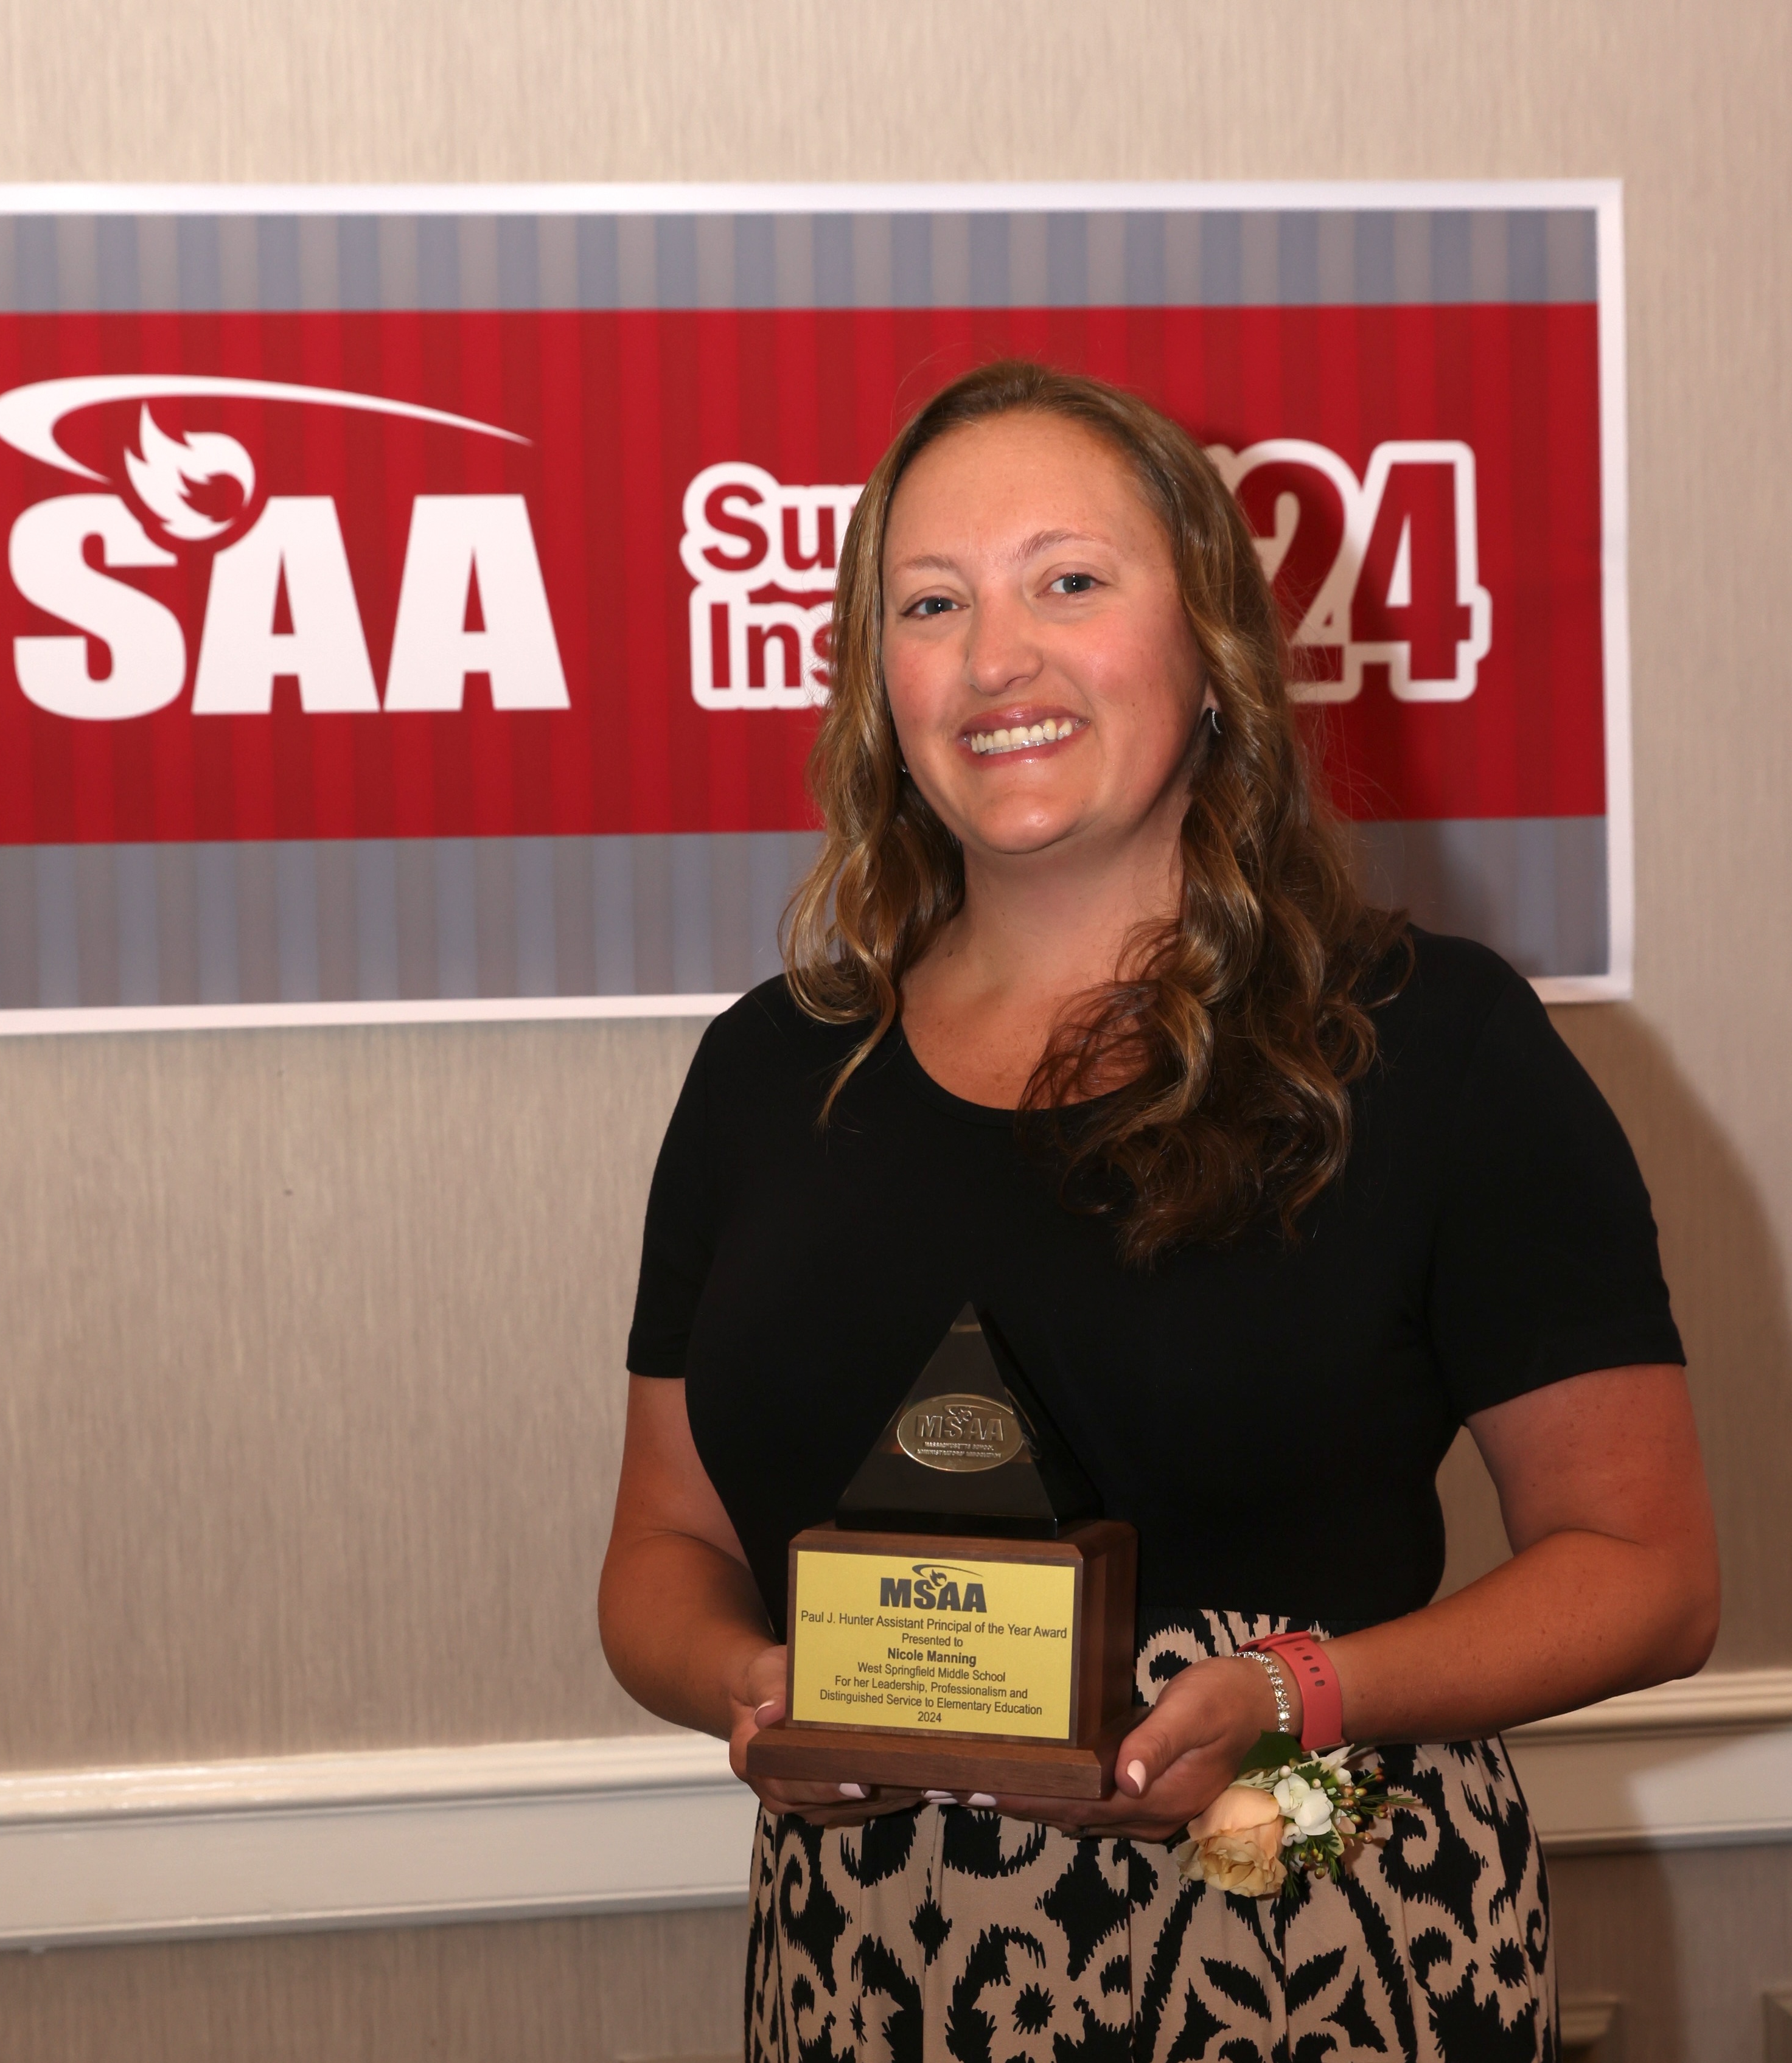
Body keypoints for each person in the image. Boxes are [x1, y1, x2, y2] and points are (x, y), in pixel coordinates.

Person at [596, 360, 1718, 2059]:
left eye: (1070, 580)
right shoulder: (770, 1073)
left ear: (1208, 648)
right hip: (875, 1974)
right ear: (874, 679)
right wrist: (744, 1693)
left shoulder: (1434, 1043)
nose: (997, 659)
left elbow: (1649, 1572)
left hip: (1318, 1951)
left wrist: (1291, 1696)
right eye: (931, 601)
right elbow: (663, 1554)